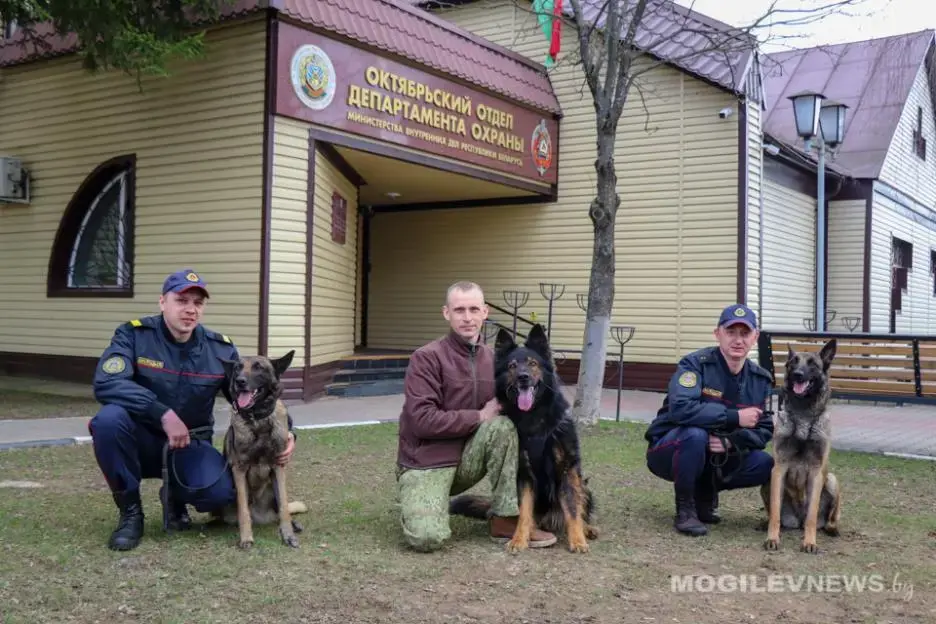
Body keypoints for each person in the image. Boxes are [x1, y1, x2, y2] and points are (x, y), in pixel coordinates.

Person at [88, 268, 296, 551]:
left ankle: (174, 495)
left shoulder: (219, 349)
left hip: (189, 445)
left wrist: (288, 431)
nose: (190, 309)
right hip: (139, 440)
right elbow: (107, 383)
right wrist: (163, 413)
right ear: (163, 302)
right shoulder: (133, 335)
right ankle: (130, 515)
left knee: (220, 494)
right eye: (182, 300)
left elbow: (251, 396)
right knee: (108, 421)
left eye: (197, 303)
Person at [395, 281, 557, 552]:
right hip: (426, 463)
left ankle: (505, 518)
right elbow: (421, 420)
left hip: (468, 457)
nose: (467, 318)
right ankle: (416, 501)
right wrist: (479, 416)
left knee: (504, 426)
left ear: (484, 312)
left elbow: (517, 406)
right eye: (459, 310)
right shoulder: (426, 358)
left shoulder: (497, 361)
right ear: (446, 313)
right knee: (426, 538)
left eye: (473, 309)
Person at [644, 303, 775, 537]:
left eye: (745, 333)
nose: (738, 340)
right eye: (730, 332)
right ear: (718, 334)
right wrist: (735, 417)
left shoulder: (760, 379)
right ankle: (686, 509)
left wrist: (731, 442)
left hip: (720, 453)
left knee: (765, 463)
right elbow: (681, 409)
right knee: (695, 436)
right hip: (670, 449)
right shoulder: (694, 364)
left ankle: (705, 494)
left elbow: (764, 429)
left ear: (755, 337)